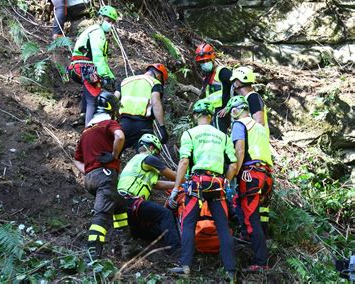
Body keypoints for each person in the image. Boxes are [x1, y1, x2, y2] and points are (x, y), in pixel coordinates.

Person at [168, 99, 237, 281]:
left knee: (188, 224)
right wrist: (227, 183)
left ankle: (186, 267)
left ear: (195, 115)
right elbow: (233, 164)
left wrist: (176, 188)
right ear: (211, 115)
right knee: (223, 227)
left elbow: (184, 161)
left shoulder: (190, 134)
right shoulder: (223, 136)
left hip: (197, 184)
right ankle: (231, 271)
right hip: (217, 183)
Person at [73, 90, 133, 262]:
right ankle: (93, 254)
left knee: (120, 205)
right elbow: (120, 136)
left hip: (91, 179)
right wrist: (114, 155)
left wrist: (89, 170)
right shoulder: (108, 123)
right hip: (105, 176)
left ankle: (127, 245)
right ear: (112, 109)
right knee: (102, 214)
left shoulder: (86, 131)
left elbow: (77, 159)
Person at [227, 95, 273, 272]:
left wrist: (234, 173)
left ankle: (260, 262)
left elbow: (239, 149)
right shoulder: (260, 127)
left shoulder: (240, 124)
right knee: (248, 208)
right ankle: (249, 238)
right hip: (266, 173)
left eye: (232, 111)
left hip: (250, 173)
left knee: (250, 217)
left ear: (236, 109)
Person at [117, 133, 180, 255]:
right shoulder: (149, 159)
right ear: (151, 148)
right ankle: (177, 250)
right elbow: (173, 176)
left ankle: (139, 242)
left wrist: (177, 185)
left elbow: (156, 184)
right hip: (132, 201)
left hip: (121, 204)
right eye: (156, 152)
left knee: (154, 230)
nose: (157, 156)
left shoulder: (134, 162)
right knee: (165, 214)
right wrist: (187, 180)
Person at [68, 6, 118, 126]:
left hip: (80, 66)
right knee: (93, 98)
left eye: (112, 22)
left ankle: (84, 115)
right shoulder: (97, 32)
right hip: (84, 67)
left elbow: (103, 61)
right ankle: (88, 128)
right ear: (100, 19)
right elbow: (97, 55)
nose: (110, 24)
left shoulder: (94, 31)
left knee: (88, 91)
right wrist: (104, 76)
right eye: (108, 20)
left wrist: (111, 76)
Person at [114, 64, 169, 150]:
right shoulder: (155, 83)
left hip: (124, 123)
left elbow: (114, 100)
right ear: (158, 75)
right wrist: (162, 127)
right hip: (143, 125)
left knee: (116, 152)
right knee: (146, 154)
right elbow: (156, 103)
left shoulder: (125, 81)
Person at [194, 43, 233, 133]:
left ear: (213, 58)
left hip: (221, 113)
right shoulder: (208, 76)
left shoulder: (223, 72)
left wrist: (228, 107)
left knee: (219, 137)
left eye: (206, 61)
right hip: (211, 112)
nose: (204, 64)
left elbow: (236, 87)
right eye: (202, 62)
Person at [230, 66, 269, 134]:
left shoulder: (252, 97)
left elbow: (260, 122)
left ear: (238, 83)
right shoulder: (246, 99)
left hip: (255, 143)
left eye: (234, 81)